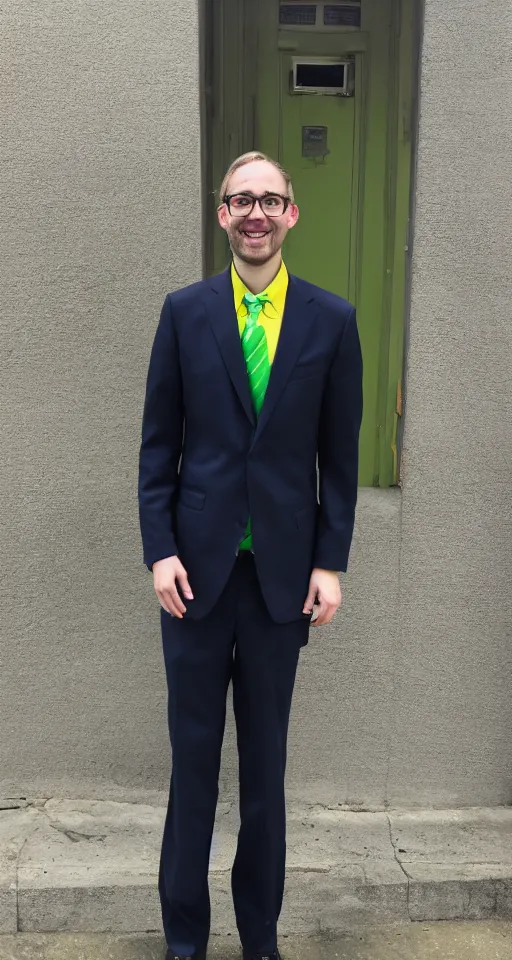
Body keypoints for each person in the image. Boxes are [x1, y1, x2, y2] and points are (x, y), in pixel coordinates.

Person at [138, 151, 363, 960]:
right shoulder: (185, 312)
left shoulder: (331, 322)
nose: (256, 213)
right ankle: (184, 940)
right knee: (192, 763)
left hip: (278, 585)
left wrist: (328, 561)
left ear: (291, 214)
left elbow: (340, 458)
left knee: (264, 774)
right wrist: (159, 551)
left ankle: (261, 935)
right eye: (242, 200)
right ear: (223, 214)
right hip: (194, 580)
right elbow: (158, 445)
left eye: (270, 199)